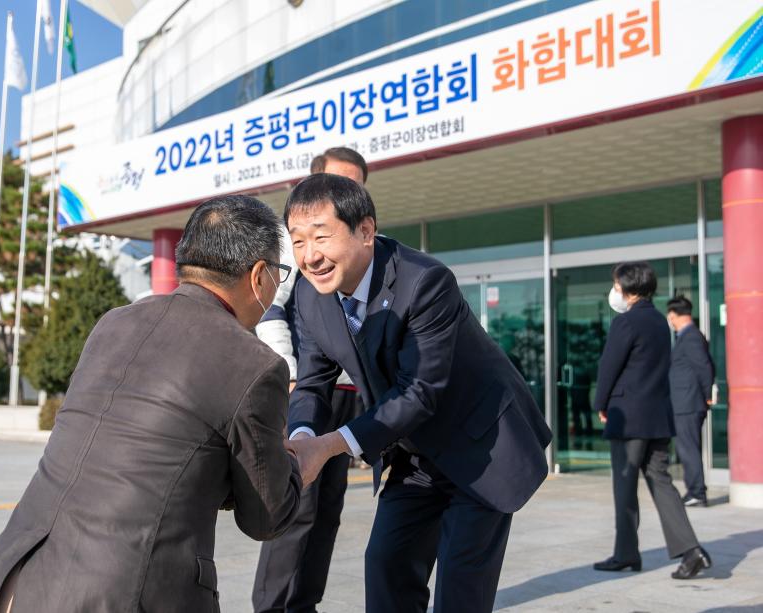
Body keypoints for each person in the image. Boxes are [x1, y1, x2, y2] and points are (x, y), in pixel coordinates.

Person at [0, 195, 302, 613]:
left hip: (13, 581)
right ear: (260, 275)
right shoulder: (255, 363)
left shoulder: (113, 323)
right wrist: (298, 459)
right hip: (118, 595)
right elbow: (266, 516)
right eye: (280, 273)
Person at [283, 173, 552, 613]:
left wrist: (329, 446)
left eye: (321, 237)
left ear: (365, 231)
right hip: (414, 456)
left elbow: (420, 391)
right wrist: (300, 441)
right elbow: (313, 380)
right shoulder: (309, 296)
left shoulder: (424, 281)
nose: (310, 256)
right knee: (386, 565)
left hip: (480, 446)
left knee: (459, 591)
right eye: (297, 241)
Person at [253, 146, 368, 613]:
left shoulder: (359, 239)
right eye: (339, 179)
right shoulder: (294, 240)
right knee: (297, 507)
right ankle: (271, 606)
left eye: (355, 183)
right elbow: (268, 308)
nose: (347, 190)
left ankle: (305, 604)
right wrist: (290, 373)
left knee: (328, 510)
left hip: (350, 395)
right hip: (307, 392)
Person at [592, 262, 712, 580]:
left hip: (628, 416)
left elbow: (609, 366)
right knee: (661, 482)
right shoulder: (660, 321)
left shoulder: (625, 322)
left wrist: (600, 403)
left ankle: (626, 554)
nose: (615, 291)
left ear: (628, 287)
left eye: (616, 285)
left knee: (625, 485)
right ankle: (691, 551)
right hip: (658, 415)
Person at [666, 295, 715, 507]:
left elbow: (704, 367)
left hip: (688, 402)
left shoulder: (691, 336)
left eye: (670, 315)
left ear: (674, 315)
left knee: (688, 449)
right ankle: (695, 490)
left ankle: (697, 492)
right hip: (686, 401)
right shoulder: (689, 336)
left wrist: (707, 395)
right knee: (687, 447)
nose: (670, 320)